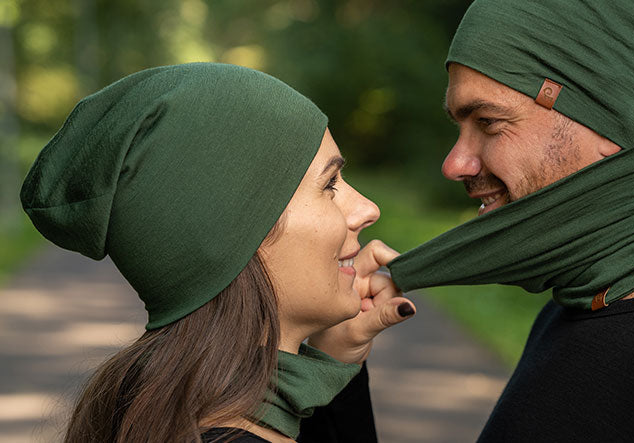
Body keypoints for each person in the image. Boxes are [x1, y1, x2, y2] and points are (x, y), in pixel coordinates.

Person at [384, 0, 634, 441]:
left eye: (488, 122)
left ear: (614, 119)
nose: (455, 164)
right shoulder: (580, 306)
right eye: (459, 127)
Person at [20, 62, 415, 443]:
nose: (367, 209)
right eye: (330, 184)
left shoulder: (166, 411)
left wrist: (338, 362)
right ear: (236, 232)